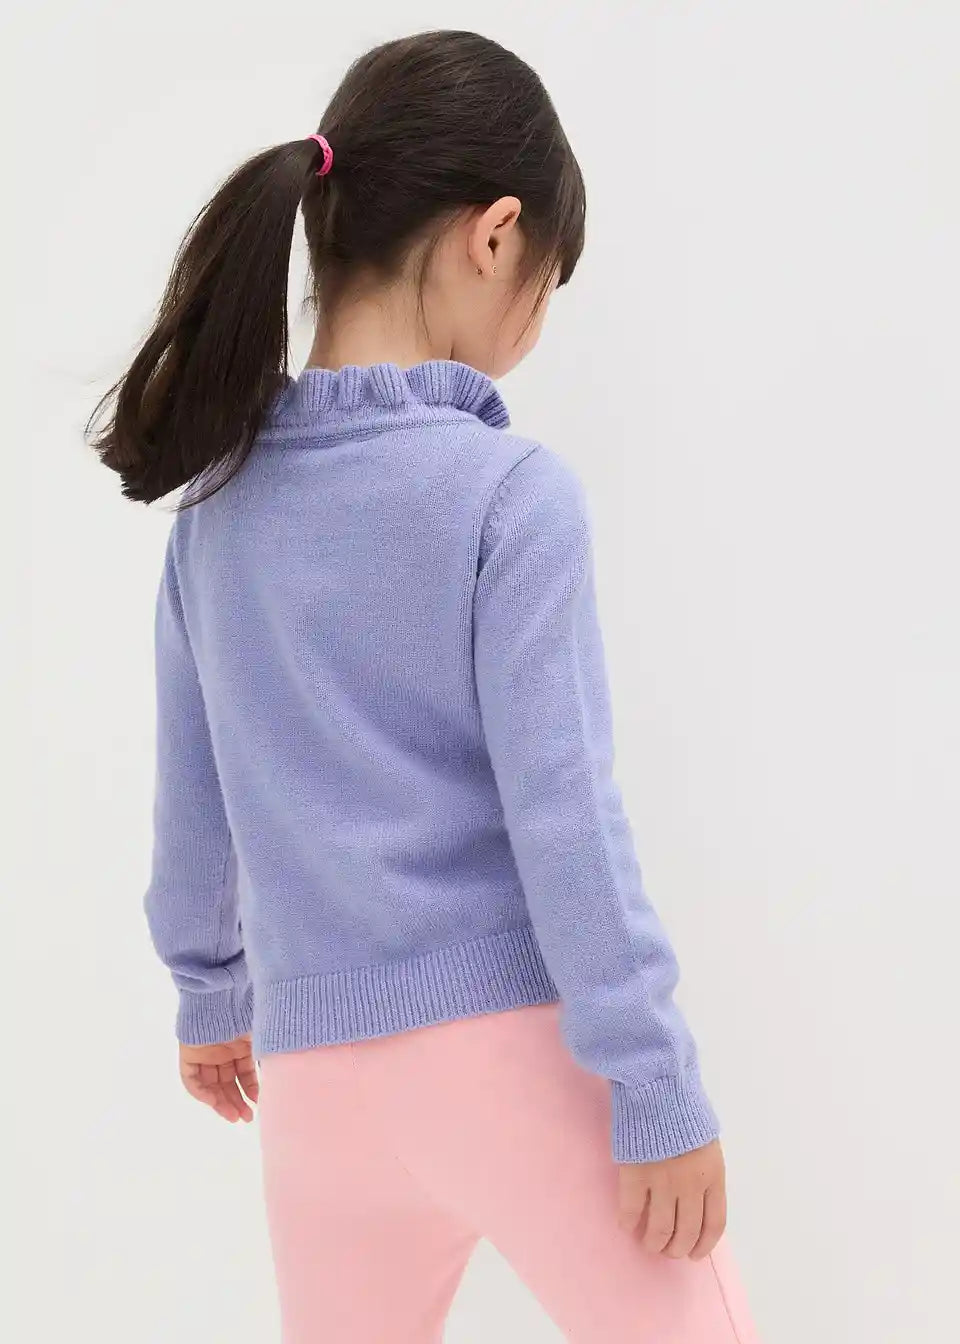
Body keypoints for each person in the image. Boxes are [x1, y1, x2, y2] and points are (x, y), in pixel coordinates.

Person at [89, 28, 757, 1344]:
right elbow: (567, 818)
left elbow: (194, 799)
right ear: (494, 238)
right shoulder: (507, 496)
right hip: (512, 1062)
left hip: (315, 1092)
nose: (533, 329)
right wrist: (654, 1080)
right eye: (546, 286)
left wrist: (209, 991)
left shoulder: (214, 513)